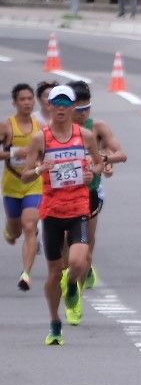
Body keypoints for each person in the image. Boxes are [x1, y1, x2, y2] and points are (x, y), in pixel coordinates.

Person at [19, 85, 104, 344]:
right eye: (57, 103)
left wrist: (93, 172)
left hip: (78, 207)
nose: (62, 107)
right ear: (50, 107)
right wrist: (39, 170)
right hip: (52, 212)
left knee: (78, 261)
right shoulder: (40, 139)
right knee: (54, 272)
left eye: (66, 103)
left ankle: (71, 287)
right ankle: (55, 323)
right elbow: (24, 175)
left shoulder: (85, 135)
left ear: (72, 106)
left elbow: (99, 162)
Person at [70, 80, 127, 290]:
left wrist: (104, 160)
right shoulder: (55, 130)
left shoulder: (97, 127)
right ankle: (73, 276)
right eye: (79, 109)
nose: (83, 114)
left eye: (87, 108)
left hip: (89, 192)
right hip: (62, 195)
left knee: (86, 245)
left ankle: (76, 296)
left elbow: (121, 154)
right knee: (66, 246)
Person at [3, 82, 44, 291]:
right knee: (15, 231)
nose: (27, 103)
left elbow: (48, 150)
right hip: (12, 186)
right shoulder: (7, 126)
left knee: (30, 227)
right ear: (15, 103)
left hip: (34, 184)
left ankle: (26, 274)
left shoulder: (40, 127)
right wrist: (13, 153)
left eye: (30, 99)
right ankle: (10, 232)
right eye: (22, 99)